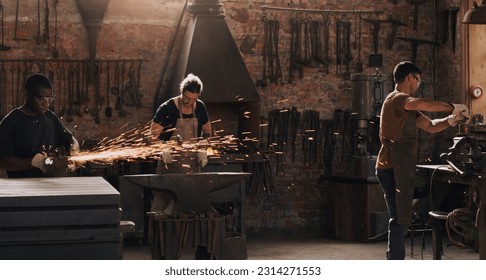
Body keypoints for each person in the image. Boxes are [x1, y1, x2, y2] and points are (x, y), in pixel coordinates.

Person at [375, 61, 469, 260]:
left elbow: (431, 126)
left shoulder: (406, 108)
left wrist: (452, 120)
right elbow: (424, 103)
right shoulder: (397, 99)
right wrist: (452, 107)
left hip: (399, 167)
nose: (418, 85)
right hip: (392, 167)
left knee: (402, 217)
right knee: (400, 219)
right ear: (411, 77)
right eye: (418, 80)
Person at [0, 73, 79, 178]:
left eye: (49, 99)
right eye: (41, 99)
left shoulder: (50, 117)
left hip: (52, 185)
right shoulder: (10, 123)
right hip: (22, 188)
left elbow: (69, 139)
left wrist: (74, 148)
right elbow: (3, 161)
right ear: (27, 94)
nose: (46, 104)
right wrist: (34, 162)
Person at [150, 73, 212, 174]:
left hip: (193, 166)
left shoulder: (200, 107)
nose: (190, 102)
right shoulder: (167, 108)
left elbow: (207, 132)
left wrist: (203, 148)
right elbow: (152, 136)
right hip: (169, 165)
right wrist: (163, 149)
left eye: (194, 99)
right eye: (187, 98)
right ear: (181, 91)